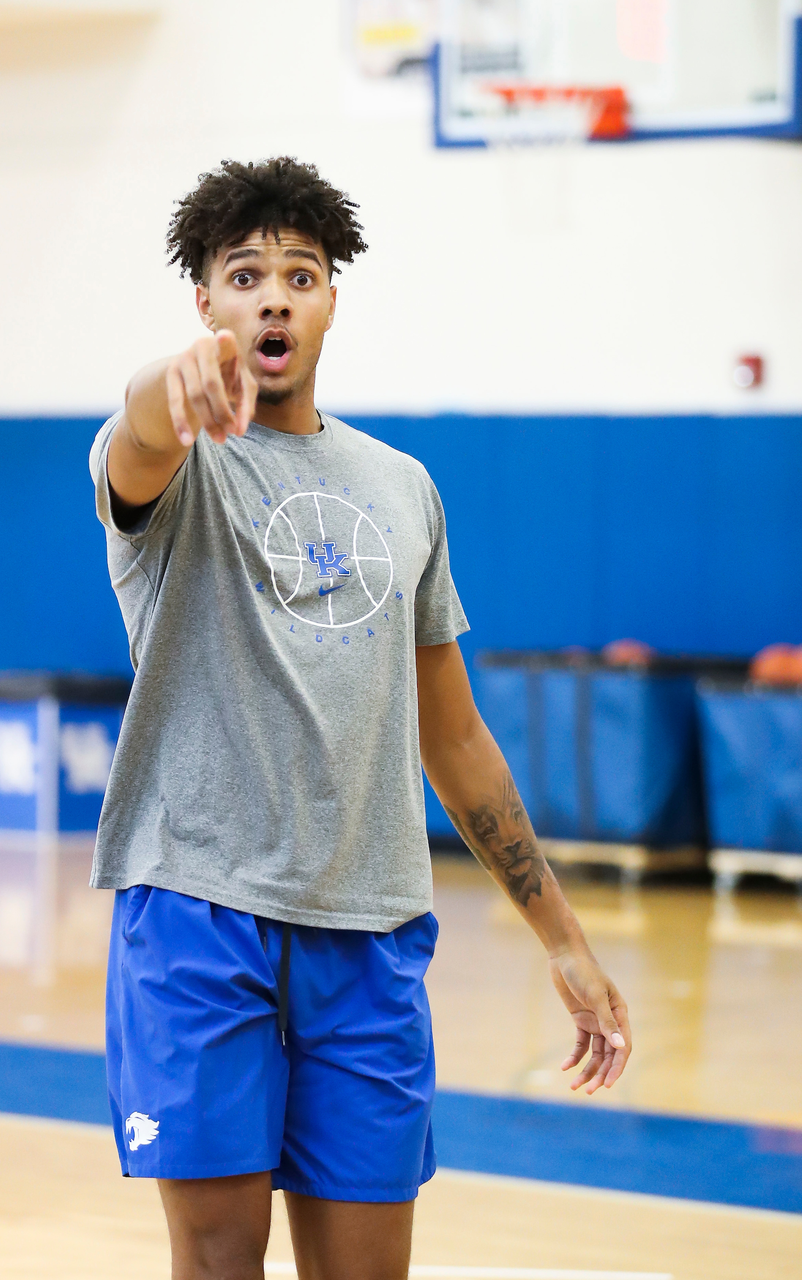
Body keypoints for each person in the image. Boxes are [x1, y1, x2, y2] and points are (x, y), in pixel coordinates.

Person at [90, 156, 631, 1280]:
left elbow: (456, 737)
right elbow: (138, 434)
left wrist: (562, 940)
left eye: (301, 272)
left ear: (333, 298)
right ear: (207, 302)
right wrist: (172, 381)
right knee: (219, 1262)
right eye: (245, 275)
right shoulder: (175, 465)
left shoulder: (404, 486)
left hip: (371, 931)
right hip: (201, 917)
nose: (274, 295)